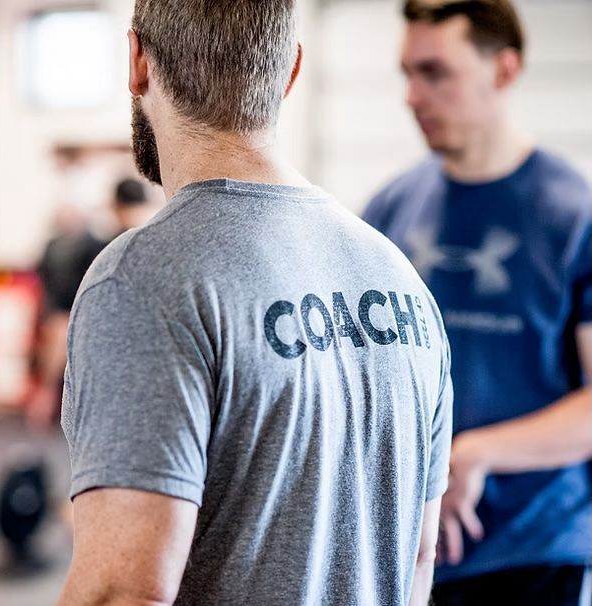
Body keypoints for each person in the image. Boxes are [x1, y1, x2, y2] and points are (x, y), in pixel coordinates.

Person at [56, 2, 452, 604]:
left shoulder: (144, 276)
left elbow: (121, 592)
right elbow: (417, 560)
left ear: (137, 60)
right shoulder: (402, 283)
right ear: (290, 72)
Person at [363, 2, 592, 603]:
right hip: (405, 547)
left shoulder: (574, 217)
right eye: (407, 73)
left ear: (504, 71)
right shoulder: (389, 211)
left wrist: (473, 452)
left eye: (435, 73)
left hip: (531, 550)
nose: (413, 96)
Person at [27, 177, 156, 430]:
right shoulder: (163, 244)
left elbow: (71, 308)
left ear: (115, 206)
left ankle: (44, 404)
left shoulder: (101, 249)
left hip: (106, 348)